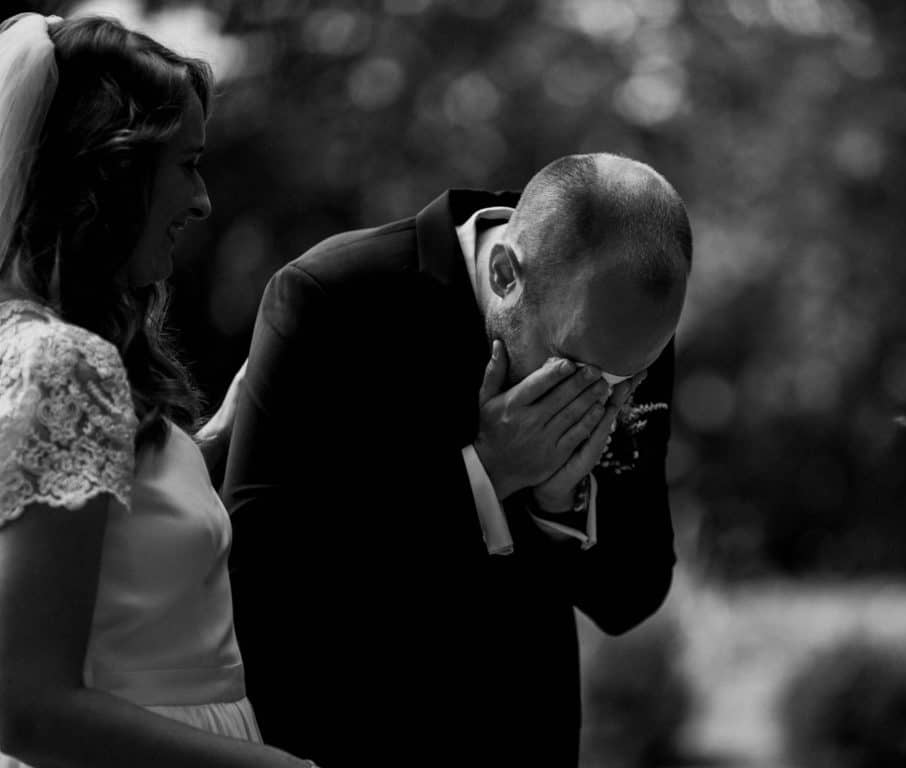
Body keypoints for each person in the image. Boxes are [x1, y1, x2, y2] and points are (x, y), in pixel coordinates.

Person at [224, 152, 692, 765]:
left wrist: (564, 504)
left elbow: (633, 595)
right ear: (504, 274)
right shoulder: (331, 298)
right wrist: (485, 473)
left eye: (629, 380)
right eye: (578, 371)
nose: (605, 395)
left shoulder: (625, 327)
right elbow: (260, 571)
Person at [0, 14, 315, 768]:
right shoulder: (66, 366)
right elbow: (25, 707)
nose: (204, 200)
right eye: (188, 163)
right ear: (111, 171)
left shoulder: (28, 347)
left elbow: (112, 540)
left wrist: (215, 438)